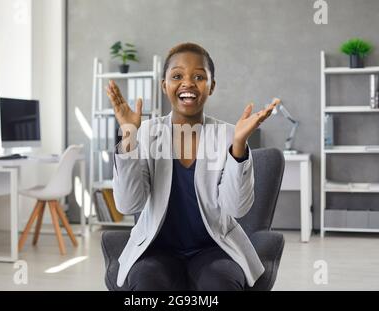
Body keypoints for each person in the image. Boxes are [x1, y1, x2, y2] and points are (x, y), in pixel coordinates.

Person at [106, 42, 279, 291]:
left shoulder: (230, 135)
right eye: (177, 76)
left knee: (220, 285)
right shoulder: (145, 133)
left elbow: (236, 208)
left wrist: (239, 145)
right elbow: (128, 204)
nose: (187, 83)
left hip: (215, 248)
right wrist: (129, 136)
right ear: (164, 85)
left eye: (199, 76)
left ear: (211, 86)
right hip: (157, 249)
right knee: (147, 285)